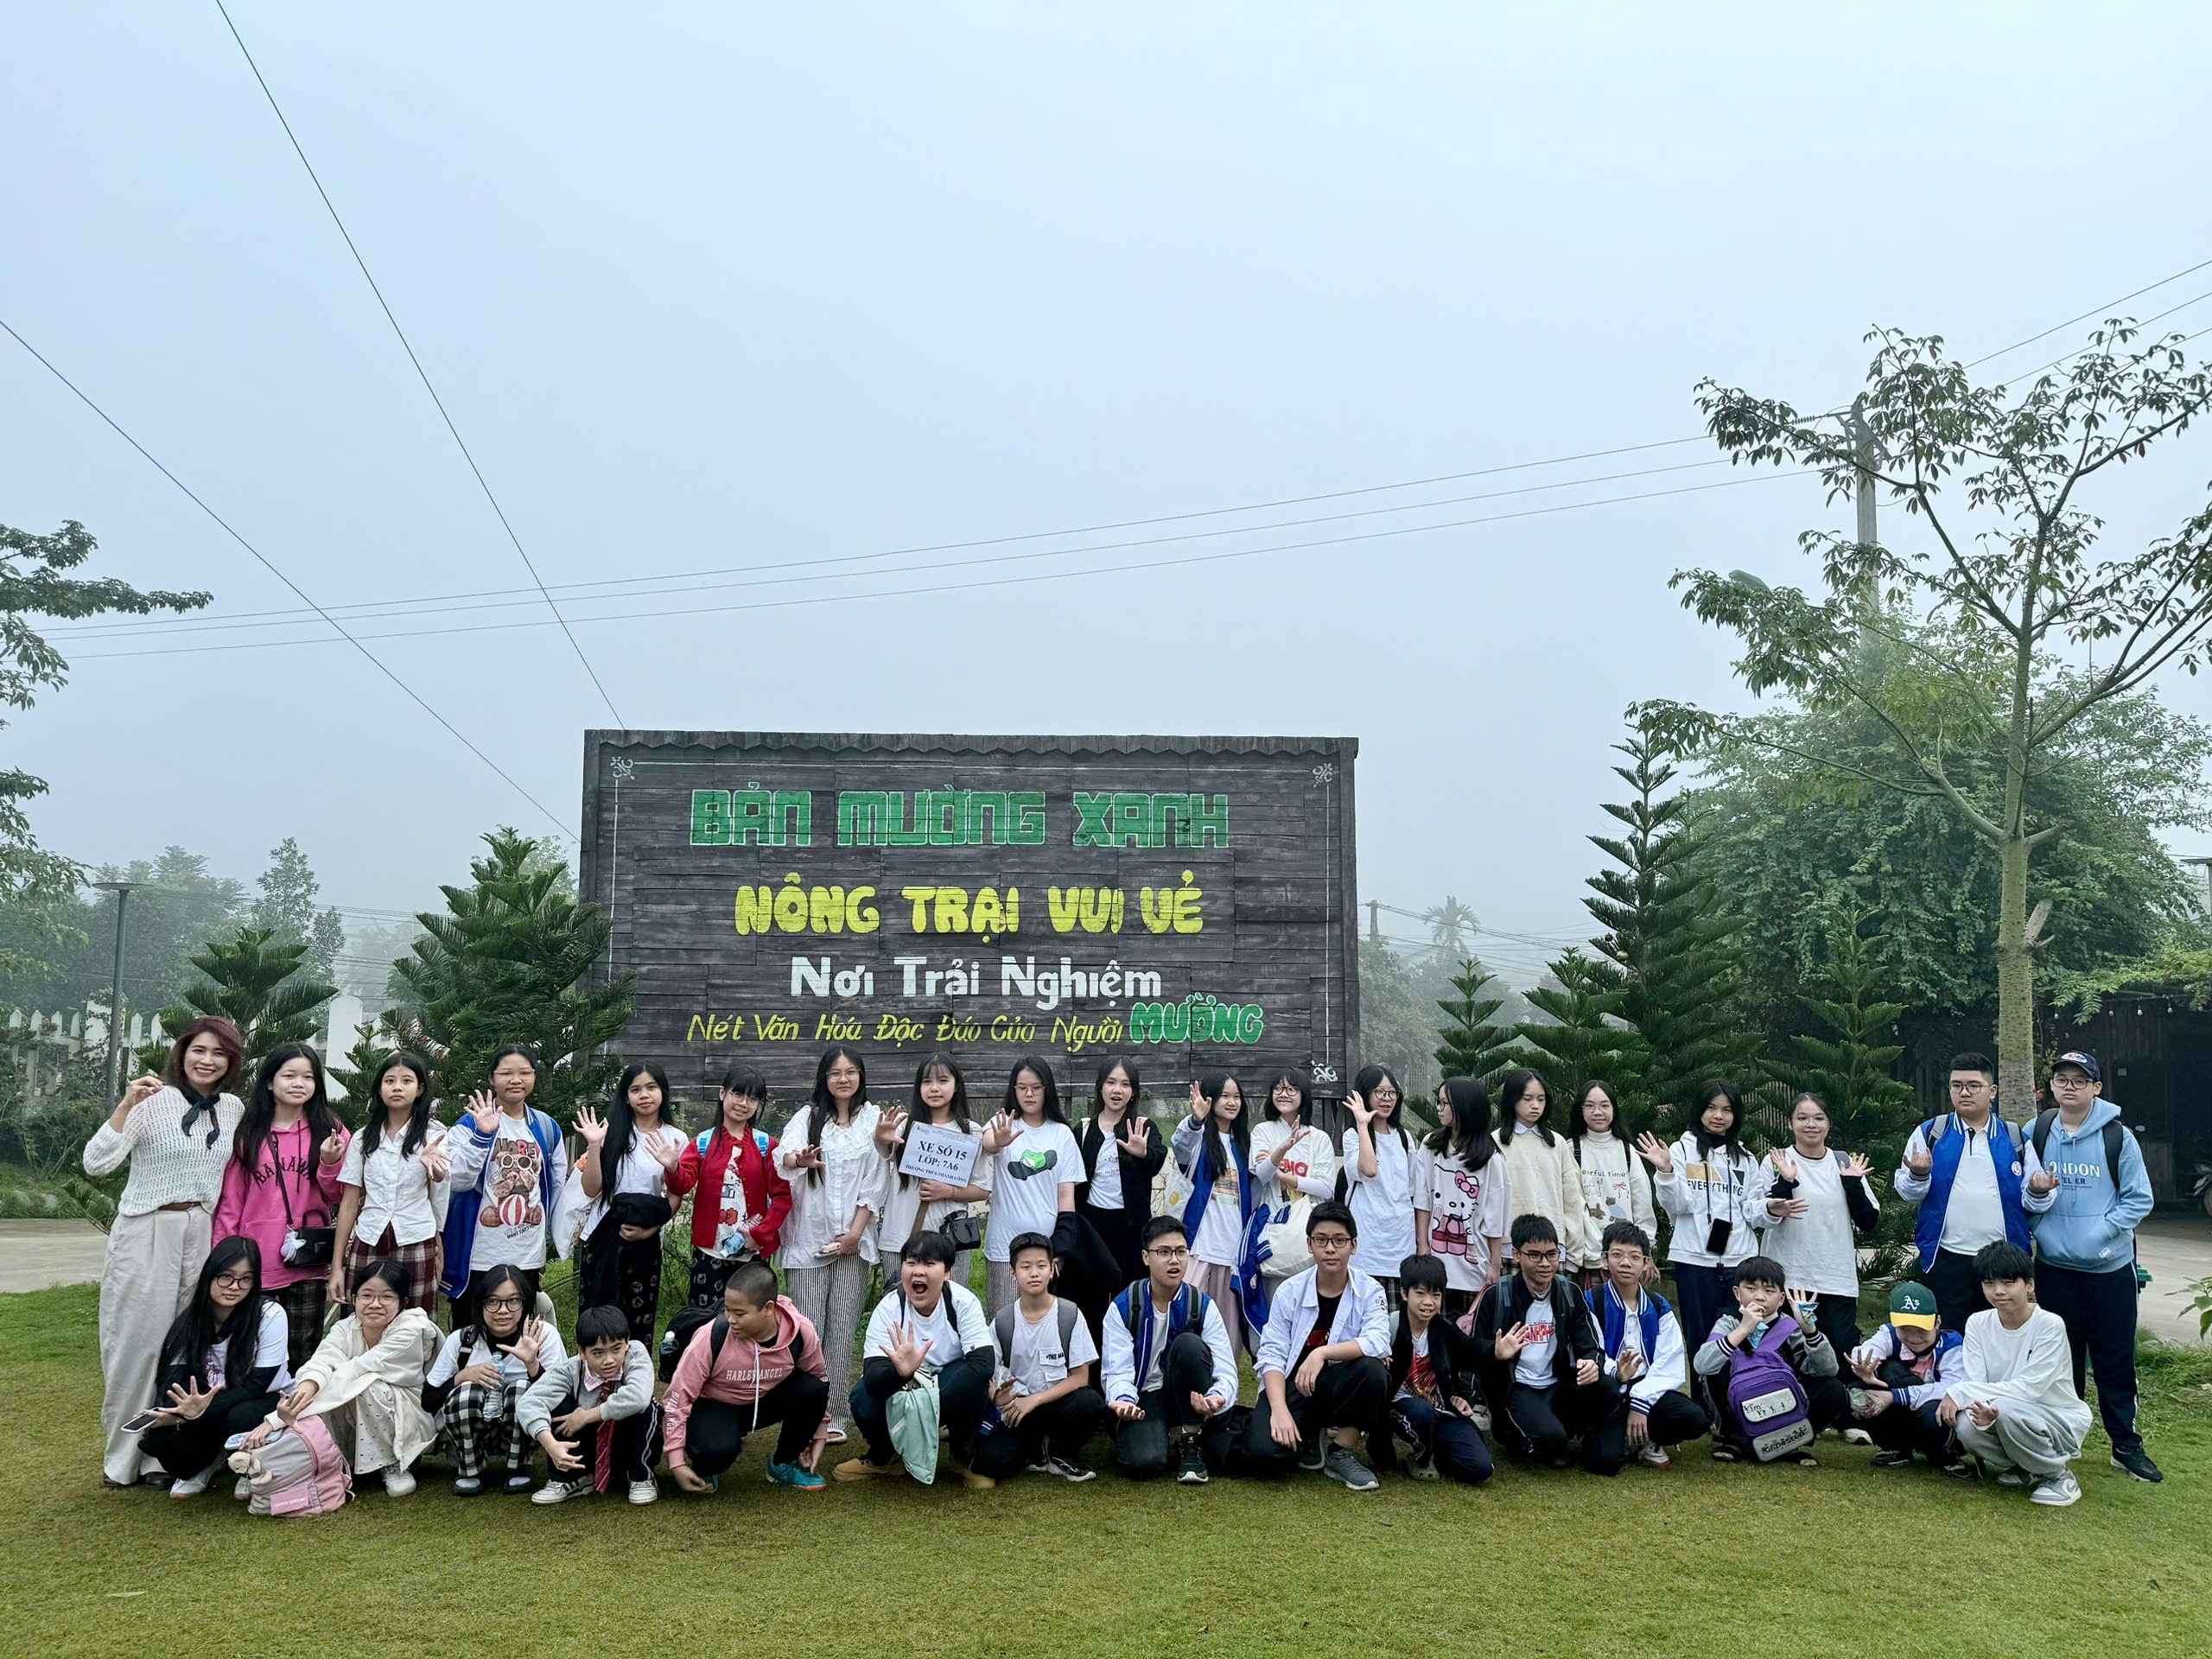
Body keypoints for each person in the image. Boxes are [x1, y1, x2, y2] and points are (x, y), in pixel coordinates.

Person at [83, 1016, 247, 1487]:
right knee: (136, 1345)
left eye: (220, 1053)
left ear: (231, 1062)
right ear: (182, 1053)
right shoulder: (152, 1101)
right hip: (147, 1227)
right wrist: (125, 1105)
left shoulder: (232, 1108)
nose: (208, 1061)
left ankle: (159, 1454)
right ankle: (121, 1459)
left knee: (183, 1345)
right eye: (200, 1050)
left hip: (201, 1230)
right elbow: (97, 1163)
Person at [2027, 1050, 2160, 1483]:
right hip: (2053, 1268)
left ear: (2096, 1088)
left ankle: (2126, 1446)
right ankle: (2063, 1445)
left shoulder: (2118, 1137)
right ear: (2052, 1086)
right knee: (2060, 1363)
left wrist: (2099, 1234)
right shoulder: (2036, 1131)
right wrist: (2040, 1226)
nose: (2069, 1086)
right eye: (2062, 1079)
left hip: (2109, 1271)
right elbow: (2023, 1191)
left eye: (2080, 1080)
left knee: (2114, 1361)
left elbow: (2139, 1199)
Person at [242, 1257, 440, 1496]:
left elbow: (355, 1372)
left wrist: (276, 1419)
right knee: (322, 1387)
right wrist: (304, 1389)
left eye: (387, 1297)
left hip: (408, 1412)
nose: (375, 1304)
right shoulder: (346, 1327)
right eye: (367, 1296)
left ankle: (394, 1463)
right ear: (354, 1299)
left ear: (403, 1302)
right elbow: (323, 1361)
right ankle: (328, 1461)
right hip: (352, 1402)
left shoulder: (412, 1328)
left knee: (367, 1386)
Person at [1636, 1077, 1772, 1414]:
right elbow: (1677, 1204)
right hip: (1695, 1259)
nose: (1718, 1116)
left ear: (1735, 1116)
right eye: (1711, 1108)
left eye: (1726, 1110)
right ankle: (1703, 1407)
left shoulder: (1746, 1159)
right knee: (1699, 1336)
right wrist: (1667, 1170)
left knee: (1743, 1332)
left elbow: (1753, 1210)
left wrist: (1773, 1208)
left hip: (1740, 1260)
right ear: (1699, 1111)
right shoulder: (1681, 1151)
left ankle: (1740, 1401)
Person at [213, 1042, 349, 1373]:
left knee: (303, 1354)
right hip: (255, 1262)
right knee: (251, 1352)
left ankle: (299, 1409)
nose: (299, 1083)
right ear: (270, 1082)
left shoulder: (329, 1129)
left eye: (308, 1077)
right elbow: (231, 1203)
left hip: (309, 1263)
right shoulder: (248, 1134)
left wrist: (330, 1162)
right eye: (289, 1075)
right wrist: (223, 1257)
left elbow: (339, 1197)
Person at [776, 1046, 885, 1444]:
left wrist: (855, 1234)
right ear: (824, 1078)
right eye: (835, 1073)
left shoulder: (873, 1119)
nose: (843, 1079)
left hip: (854, 1243)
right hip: (808, 1240)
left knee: (842, 1328)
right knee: (808, 1331)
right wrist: (798, 1160)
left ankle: (835, 1413)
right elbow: (783, 1157)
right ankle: (807, 1415)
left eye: (851, 1071)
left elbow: (877, 1179)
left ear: (861, 1076)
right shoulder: (807, 1118)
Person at [834, 1230, 999, 1489]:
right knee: (862, 1396)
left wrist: (928, 1406)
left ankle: (963, 1458)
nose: (918, 1271)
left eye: (929, 1263)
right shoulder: (889, 1308)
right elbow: (874, 1377)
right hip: (904, 1384)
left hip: (947, 1386)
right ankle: (884, 1458)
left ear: (947, 1273)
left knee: (975, 1382)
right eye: (911, 1263)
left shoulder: (963, 1303)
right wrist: (900, 1373)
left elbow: (983, 1363)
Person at [1245, 1200, 1389, 1491]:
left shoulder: (1370, 1290)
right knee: (1264, 1454)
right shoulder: (1290, 1291)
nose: (1330, 1248)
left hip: (1337, 1386)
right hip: (1294, 1387)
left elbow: (1378, 1340)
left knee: (1374, 1371)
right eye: (1321, 1240)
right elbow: (1272, 1354)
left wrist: (1322, 1353)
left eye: (1339, 1240)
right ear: (1309, 1245)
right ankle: (1309, 1430)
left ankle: (1340, 1451)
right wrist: (1279, 1410)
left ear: (1354, 1246)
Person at [1892, 1051, 2037, 1332]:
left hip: (2002, 1261)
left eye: (1973, 1086)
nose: (1964, 1092)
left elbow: (2035, 1202)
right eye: (1956, 1086)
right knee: (1951, 1338)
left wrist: (2039, 1191)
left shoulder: (2014, 1138)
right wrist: (1918, 1174)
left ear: (1992, 1092)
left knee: (2002, 1335)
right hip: (1947, 1258)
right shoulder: (1931, 1133)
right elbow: (1908, 1193)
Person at [1942, 1241, 2093, 1507]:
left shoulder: (2050, 1325)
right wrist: (1981, 1406)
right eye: (1989, 1283)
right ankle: (2029, 1467)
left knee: (2006, 1408)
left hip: (2059, 1419)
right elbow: (1975, 1381)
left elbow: (2029, 1389)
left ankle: (2059, 1476)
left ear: (2030, 1285)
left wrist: (1963, 1393)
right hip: (2006, 1412)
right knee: (1966, 1424)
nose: (1998, 1291)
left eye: (2009, 1282)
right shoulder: (1977, 1323)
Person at [662, 1259, 830, 1495]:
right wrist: (676, 1461)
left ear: (768, 1309)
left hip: (765, 1401)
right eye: (727, 1310)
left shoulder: (800, 1331)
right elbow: (677, 1397)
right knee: (716, 1450)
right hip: (714, 1404)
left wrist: (819, 1433)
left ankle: (783, 1463)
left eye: (739, 1313)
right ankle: (705, 1465)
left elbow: (818, 1379)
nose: (730, 1319)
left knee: (813, 1388)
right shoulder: (712, 1334)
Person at [140, 1236, 291, 1498]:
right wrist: (179, 1412)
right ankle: (210, 1461)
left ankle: (252, 1463)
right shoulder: (191, 1321)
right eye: (226, 1277)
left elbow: (257, 1385)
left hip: (264, 1399)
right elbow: (174, 1379)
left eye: (245, 1279)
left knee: (240, 1416)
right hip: (211, 1405)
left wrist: (195, 1414)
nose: (234, 1287)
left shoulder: (270, 1315)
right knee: (160, 1438)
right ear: (210, 1275)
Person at [1469, 1214, 1622, 1471]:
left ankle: (1561, 1435)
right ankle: (1521, 1435)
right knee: (1549, 1438)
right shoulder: (1497, 1296)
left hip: (1557, 1384)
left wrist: (1591, 1363)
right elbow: (1473, 1354)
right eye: (1535, 1255)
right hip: (1517, 1388)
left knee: (1608, 1389)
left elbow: (1590, 1343)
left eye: (1552, 1254)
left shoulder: (1569, 1292)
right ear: (1516, 1255)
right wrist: (1496, 1353)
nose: (1545, 1263)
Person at [1100, 1215, 1240, 1484]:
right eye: (1164, 1252)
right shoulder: (1124, 1306)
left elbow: (1226, 1367)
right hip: (1145, 1397)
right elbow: (1116, 1370)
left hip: (1190, 1394)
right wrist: (1124, 1400)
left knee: (1189, 1344)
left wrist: (1218, 1396)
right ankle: (1160, 1434)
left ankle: (1191, 1438)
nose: (1174, 1260)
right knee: (1144, 1462)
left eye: (1180, 1251)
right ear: (1146, 1257)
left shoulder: (1202, 1305)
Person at [442, 1046, 567, 1331]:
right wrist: (481, 1136)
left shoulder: (546, 1128)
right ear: (491, 1078)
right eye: (506, 1073)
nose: (516, 1080)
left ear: (534, 1077)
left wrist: (548, 1240)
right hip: (479, 1255)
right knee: (471, 1330)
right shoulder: (468, 1124)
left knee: (520, 1331)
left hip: (526, 1254)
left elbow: (557, 1188)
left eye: (525, 1073)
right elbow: (456, 1180)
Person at [1690, 1254, 1848, 1465]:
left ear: (1781, 1299)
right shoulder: (1729, 1322)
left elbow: (1828, 1370)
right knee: (1715, 1368)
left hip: (1782, 1406)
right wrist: (1742, 1330)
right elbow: (1701, 1365)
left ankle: (1792, 1439)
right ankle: (1734, 1438)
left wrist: (1810, 1330)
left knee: (1834, 1389)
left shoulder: (1789, 1327)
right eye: (1751, 1288)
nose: (1760, 1297)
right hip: (1738, 1405)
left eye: (1769, 1291)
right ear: (1737, 1293)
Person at [422, 1262, 565, 1495]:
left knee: (521, 1389)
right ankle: (471, 1468)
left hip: (523, 1429)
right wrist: (462, 1376)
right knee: (467, 1392)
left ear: (525, 1303)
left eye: (513, 1301)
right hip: (475, 1428)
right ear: (480, 1304)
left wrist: (533, 1365)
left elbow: (561, 1400)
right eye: (493, 1302)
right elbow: (428, 1400)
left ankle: (518, 1466)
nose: (503, 1310)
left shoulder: (543, 1336)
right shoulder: (463, 1341)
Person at [975, 1232, 1106, 1483]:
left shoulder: (1069, 1314)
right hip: (1018, 1410)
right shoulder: (1003, 1321)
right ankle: (1033, 1448)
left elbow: (1081, 1378)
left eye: (1041, 1266)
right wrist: (997, 1397)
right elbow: (986, 1371)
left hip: (1058, 1404)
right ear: (1013, 1273)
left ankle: (1061, 1452)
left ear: (1052, 1270)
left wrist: (1034, 1401)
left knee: (1091, 1402)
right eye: (1025, 1267)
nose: (1034, 1273)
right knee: (988, 1462)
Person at [572, 1061, 686, 1345]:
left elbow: (675, 1196)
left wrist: (651, 1229)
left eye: (651, 1087)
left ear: (663, 1092)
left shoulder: (676, 1139)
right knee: (597, 1316)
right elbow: (591, 1188)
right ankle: (592, 1372)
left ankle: (635, 1373)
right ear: (626, 1096)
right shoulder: (610, 1133)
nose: (644, 1095)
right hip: (602, 1238)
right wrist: (595, 1146)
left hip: (645, 1242)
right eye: (636, 1089)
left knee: (638, 1318)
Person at [1758, 1092, 1880, 1359]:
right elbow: (1762, 1214)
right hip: (1788, 1280)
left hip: (1835, 1280)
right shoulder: (1776, 1162)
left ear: (1828, 1124)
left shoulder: (1844, 1162)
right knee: (1787, 1355)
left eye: (1818, 1118)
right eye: (1802, 1118)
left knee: (1837, 1355)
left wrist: (1852, 1184)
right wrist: (1785, 1182)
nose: (1811, 1124)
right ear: (1790, 1124)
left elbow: (1868, 1221)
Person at [327, 1051, 448, 1316]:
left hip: (416, 1238)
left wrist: (434, 1167)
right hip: (369, 1237)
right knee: (362, 1320)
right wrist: (337, 1266)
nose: (397, 1087)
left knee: (416, 1322)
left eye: (407, 1081)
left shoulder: (434, 1134)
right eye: (390, 1080)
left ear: (420, 1089)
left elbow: (440, 1185)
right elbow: (349, 1204)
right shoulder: (363, 1138)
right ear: (379, 1088)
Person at [1583, 1220, 1708, 1469]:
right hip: (1610, 1390)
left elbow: (1669, 1361)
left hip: (1648, 1389)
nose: (1625, 1263)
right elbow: (1590, 1350)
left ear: (1646, 1262)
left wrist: (1641, 1402)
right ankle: (1614, 1436)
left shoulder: (1659, 1306)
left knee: (1695, 1419)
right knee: (1604, 1462)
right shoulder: (1592, 1301)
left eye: (1634, 1257)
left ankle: (1649, 1439)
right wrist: (1617, 1373)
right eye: (1617, 1255)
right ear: (1605, 1259)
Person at [666, 1062, 791, 1308]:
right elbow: (682, 1185)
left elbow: (782, 1198)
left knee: (750, 1319)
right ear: (722, 1094)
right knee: (706, 1320)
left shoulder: (766, 1146)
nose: (744, 1103)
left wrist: (759, 1235)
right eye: (738, 1094)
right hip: (709, 1252)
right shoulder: (702, 1143)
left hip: (752, 1252)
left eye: (752, 1098)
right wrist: (672, 1168)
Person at [521, 1305, 664, 1504]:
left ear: (627, 1343)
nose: (609, 1360)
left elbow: (638, 1397)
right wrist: (550, 1445)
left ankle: (641, 1476)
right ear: (582, 1352)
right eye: (597, 1353)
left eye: (616, 1349)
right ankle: (573, 1478)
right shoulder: (571, 1370)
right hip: (590, 1447)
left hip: (628, 1444)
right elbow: (528, 1402)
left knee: (645, 1407)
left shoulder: (636, 1353)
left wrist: (586, 1416)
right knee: (558, 1405)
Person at [1172, 1072, 1266, 1357]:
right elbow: (1180, 1145)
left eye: (1236, 1097)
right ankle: (1177, 1374)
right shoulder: (1199, 1135)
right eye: (1225, 1096)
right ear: (1210, 1099)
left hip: (1232, 1251)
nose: (1232, 1102)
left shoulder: (1244, 1144)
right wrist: (1196, 1119)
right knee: (1182, 1316)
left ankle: (1224, 1381)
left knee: (1227, 1330)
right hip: (1198, 1247)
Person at [979, 1056, 1082, 1315]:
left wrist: (1060, 1245)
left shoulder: (1062, 1134)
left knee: (1043, 1321)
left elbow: (1066, 1197)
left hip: (1045, 1248)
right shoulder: (1002, 1124)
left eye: (1036, 1087)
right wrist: (998, 1141)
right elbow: (987, 1142)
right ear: (1013, 1089)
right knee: (1003, 1319)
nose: (1029, 1094)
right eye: (1022, 1087)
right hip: (1004, 1247)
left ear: (1047, 1089)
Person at [875, 1052, 992, 1281]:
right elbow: (884, 1149)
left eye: (943, 1080)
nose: (934, 1088)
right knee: (901, 1301)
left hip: (951, 1242)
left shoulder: (971, 1132)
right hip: (900, 1239)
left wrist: (949, 1192)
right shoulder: (904, 1126)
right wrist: (880, 1137)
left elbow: (982, 1189)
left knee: (950, 1300)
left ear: (956, 1086)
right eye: (927, 1082)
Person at [1379, 1253, 1492, 1484]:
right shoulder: (1388, 1327)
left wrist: (1497, 1350)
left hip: (1440, 1410)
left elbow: (1470, 1350)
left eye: (1436, 1294)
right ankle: (1422, 1458)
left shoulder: (1443, 1329)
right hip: (1402, 1409)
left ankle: (1438, 1451)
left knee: (1481, 1468)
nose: (1429, 1302)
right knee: (1421, 1411)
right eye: (1420, 1293)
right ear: (1404, 1294)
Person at [1413, 1076, 1509, 1319]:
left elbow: (1495, 1214)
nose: (1439, 1108)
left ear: (1464, 1107)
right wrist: (1423, 1245)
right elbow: (1423, 1200)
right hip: (1436, 1262)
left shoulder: (1490, 1158)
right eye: (1438, 1102)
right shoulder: (1431, 1145)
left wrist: (1495, 1263)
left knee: (1471, 1332)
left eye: (1444, 1103)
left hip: (1475, 1266)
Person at [1847, 1281, 1967, 1472]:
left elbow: (1951, 1387)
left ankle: (1944, 1453)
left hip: (1936, 1416)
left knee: (1932, 1409)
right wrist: (1867, 1369)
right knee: (1860, 1391)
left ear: (1937, 1322)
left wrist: (1895, 1396)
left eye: (1921, 1329)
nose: (1913, 1337)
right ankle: (1895, 1447)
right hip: (1906, 1413)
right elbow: (1867, 1351)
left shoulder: (1952, 1345)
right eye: (1904, 1328)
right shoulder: (1889, 1333)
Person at [1075, 1054, 1165, 1288]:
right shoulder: (1083, 1130)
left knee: (1130, 1293)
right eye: (1111, 1082)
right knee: (1091, 1292)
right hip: (1092, 1225)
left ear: (1133, 1092)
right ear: (1100, 1087)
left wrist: (1142, 1154)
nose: (1117, 1090)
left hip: (1131, 1227)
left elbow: (1156, 1161)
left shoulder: (1144, 1126)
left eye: (1125, 1084)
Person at [1496, 1069, 1587, 1275]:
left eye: (1541, 1099)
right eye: (1527, 1099)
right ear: (1512, 1099)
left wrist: (1574, 1253)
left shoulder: (1557, 1143)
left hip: (1552, 1248)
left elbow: (1572, 1200)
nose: (1535, 1105)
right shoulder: (1495, 1142)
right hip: (1508, 1249)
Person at [1569, 1080, 1656, 1287]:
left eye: (1605, 1105)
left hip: (1627, 1259)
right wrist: (1598, 1250)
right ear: (1580, 1110)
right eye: (1590, 1106)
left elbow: (1642, 1204)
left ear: (1614, 1109)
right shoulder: (1571, 1149)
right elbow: (1574, 1206)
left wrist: (1646, 1251)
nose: (1598, 1112)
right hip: (1590, 1260)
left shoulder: (1627, 1151)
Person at [1340, 1064, 1415, 1303]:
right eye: (1380, 1092)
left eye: (1392, 1092)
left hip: (1401, 1244)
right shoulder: (1353, 1136)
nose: (1387, 1098)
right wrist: (1363, 1124)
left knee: (1398, 1320)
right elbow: (1369, 1169)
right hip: (1367, 1246)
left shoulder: (1404, 1138)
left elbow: (1413, 1191)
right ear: (1365, 1095)